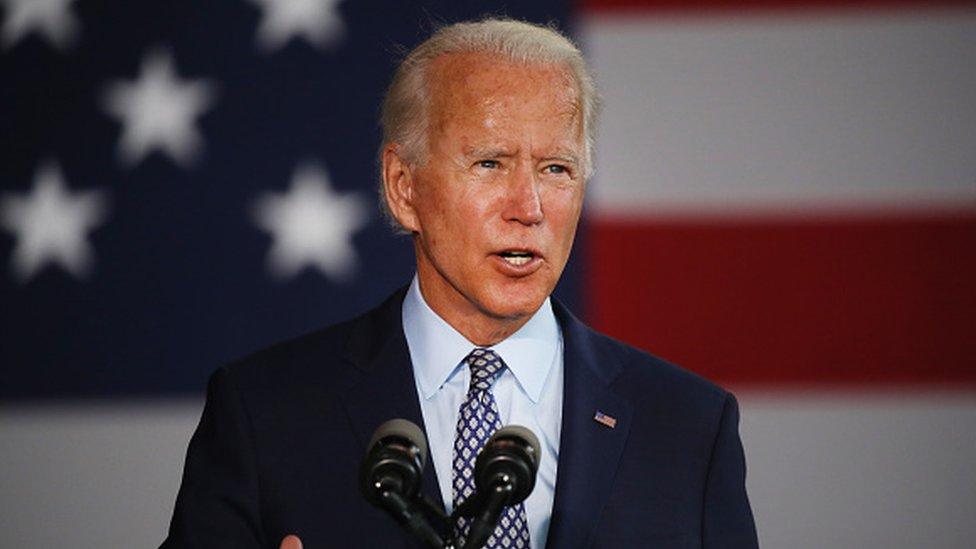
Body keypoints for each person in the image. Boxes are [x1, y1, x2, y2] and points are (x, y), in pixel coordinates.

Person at [162, 18, 758, 549]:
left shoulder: (688, 427)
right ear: (403, 187)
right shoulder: (265, 414)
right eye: (489, 163)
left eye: (557, 169)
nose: (528, 207)